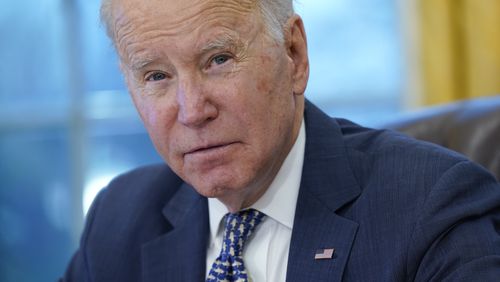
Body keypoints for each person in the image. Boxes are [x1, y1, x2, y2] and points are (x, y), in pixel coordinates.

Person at [62, 0, 500, 281]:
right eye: (156, 76)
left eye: (218, 60)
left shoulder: (432, 205)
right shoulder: (119, 221)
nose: (193, 110)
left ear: (294, 55)